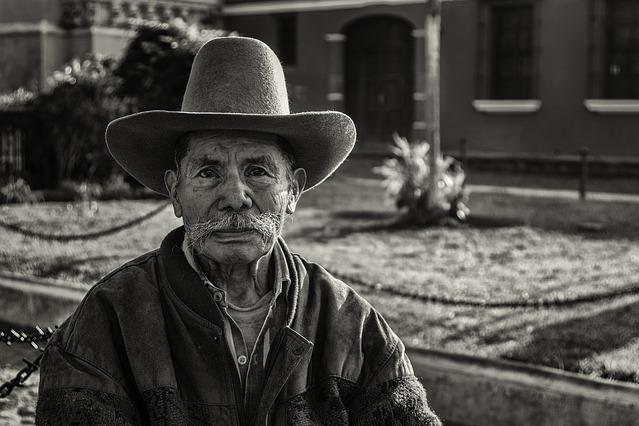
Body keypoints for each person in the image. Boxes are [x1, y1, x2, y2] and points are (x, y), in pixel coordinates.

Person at [36, 37, 441, 425]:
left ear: (293, 191)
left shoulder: (350, 324)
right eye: (209, 171)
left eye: (258, 171)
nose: (235, 196)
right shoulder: (108, 321)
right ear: (175, 192)